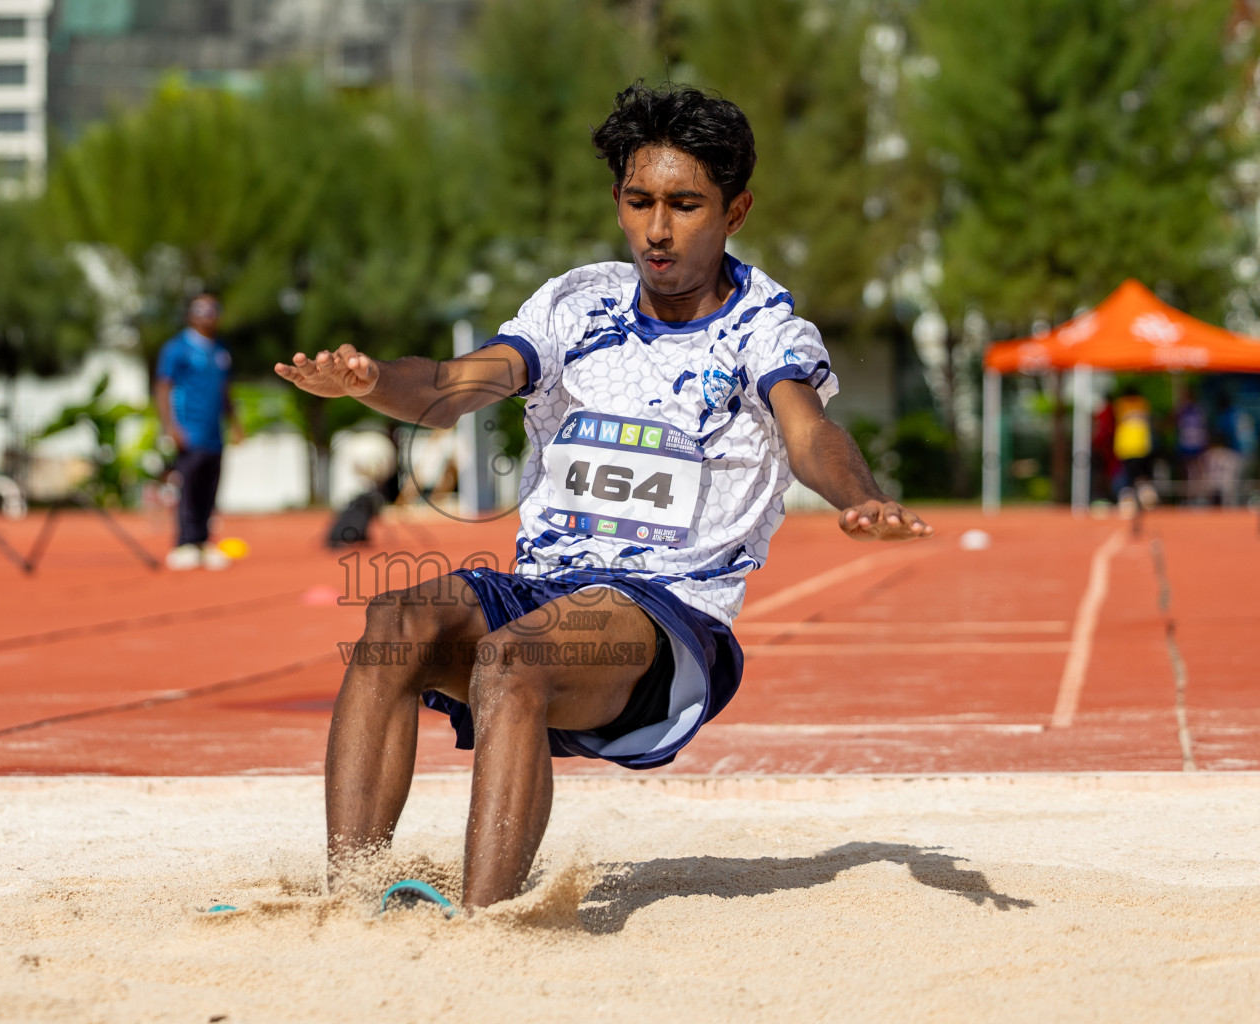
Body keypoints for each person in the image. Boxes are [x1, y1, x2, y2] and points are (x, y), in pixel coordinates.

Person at [274, 83, 933, 913]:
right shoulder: (576, 306)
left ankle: (489, 923)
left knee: (512, 661)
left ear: (736, 211)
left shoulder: (765, 330)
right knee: (393, 620)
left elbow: (807, 433)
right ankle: (351, 898)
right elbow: (448, 385)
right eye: (639, 201)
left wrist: (861, 496)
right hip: (545, 584)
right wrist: (372, 382)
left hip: (666, 612)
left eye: (686, 204)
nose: (658, 229)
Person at [155, 294, 244, 571]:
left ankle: (203, 541)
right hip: (189, 430)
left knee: (210, 487)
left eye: (213, 311)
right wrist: (171, 426)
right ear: (191, 314)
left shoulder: (220, 350)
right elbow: (163, 387)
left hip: (213, 432)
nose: (208, 316)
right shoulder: (176, 348)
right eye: (201, 311)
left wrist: (236, 423)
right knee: (189, 487)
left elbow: (224, 390)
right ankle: (185, 543)